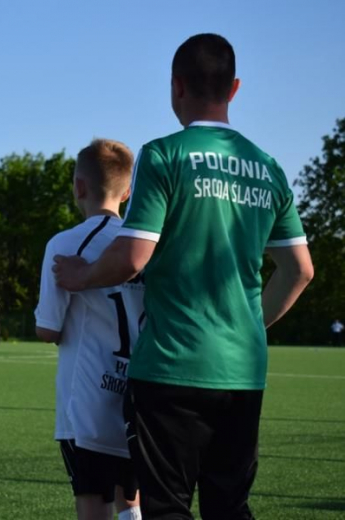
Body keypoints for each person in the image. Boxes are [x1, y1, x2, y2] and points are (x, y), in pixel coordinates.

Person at [54, 34, 314, 519]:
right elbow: (300, 271)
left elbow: (133, 256)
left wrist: (82, 274)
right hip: (243, 369)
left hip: (171, 367)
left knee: (168, 507)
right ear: (233, 88)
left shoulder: (163, 155)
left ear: (175, 86)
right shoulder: (268, 168)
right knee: (229, 508)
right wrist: (248, 327)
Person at [36, 140, 142, 520]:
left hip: (88, 401)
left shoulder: (65, 243)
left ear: (78, 186)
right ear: (128, 192)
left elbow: (48, 328)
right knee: (131, 498)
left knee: (93, 502)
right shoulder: (143, 246)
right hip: (139, 395)